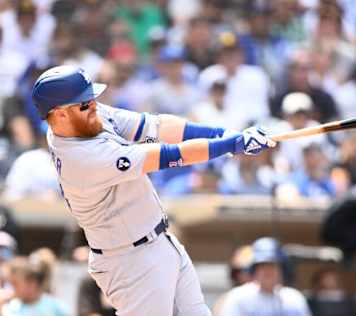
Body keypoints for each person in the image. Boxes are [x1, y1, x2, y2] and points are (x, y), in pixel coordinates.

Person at [31, 65, 276, 315]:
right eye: (84, 103)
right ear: (59, 114)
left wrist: (225, 134)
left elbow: (156, 127)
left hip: (158, 241)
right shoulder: (82, 158)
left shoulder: (82, 118)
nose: (93, 105)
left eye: (92, 98)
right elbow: (170, 154)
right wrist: (232, 145)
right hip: (129, 262)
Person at [220, 237, 311, 316]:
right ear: (254, 269)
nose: (268, 271)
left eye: (273, 265)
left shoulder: (294, 298)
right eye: (263, 265)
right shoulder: (238, 297)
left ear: (282, 269)